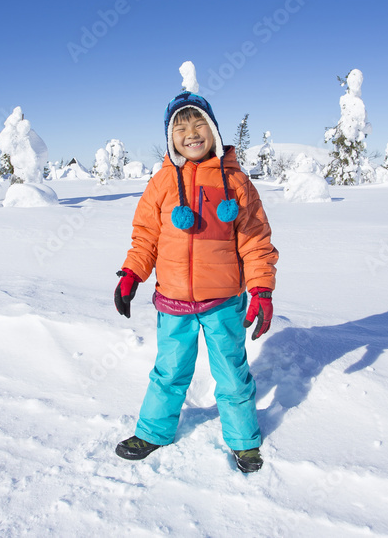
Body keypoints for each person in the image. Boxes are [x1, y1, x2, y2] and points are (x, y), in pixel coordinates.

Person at [113, 89, 279, 473]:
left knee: (231, 374)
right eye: (181, 126)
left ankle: (243, 441)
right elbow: (145, 236)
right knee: (169, 371)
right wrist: (131, 274)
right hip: (172, 302)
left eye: (199, 122)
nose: (191, 132)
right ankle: (153, 432)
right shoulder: (162, 183)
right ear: (171, 137)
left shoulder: (236, 182)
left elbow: (256, 241)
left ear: (214, 130)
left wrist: (262, 289)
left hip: (223, 301)